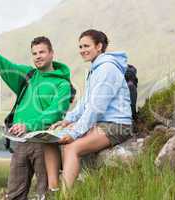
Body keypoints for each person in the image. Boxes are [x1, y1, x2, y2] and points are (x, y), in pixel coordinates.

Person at [0, 36, 72, 199]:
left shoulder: (62, 85)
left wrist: (29, 125)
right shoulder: (28, 75)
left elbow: (55, 112)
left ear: (52, 54)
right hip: (21, 141)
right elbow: (8, 68)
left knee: (45, 193)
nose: (38, 56)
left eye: (42, 52)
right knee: (14, 193)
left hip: (44, 144)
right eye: (34, 53)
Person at [45, 29, 133, 189]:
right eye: (80, 47)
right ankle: (55, 188)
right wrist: (68, 120)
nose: (82, 50)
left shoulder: (107, 69)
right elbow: (85, 102)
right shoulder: (95, 69)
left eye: (86, 46)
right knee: (54, 137)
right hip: (102, 124)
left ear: (99, 46)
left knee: (72, 147)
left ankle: (66, 195)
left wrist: (74, 133)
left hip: (117, 125)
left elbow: (96, 108)